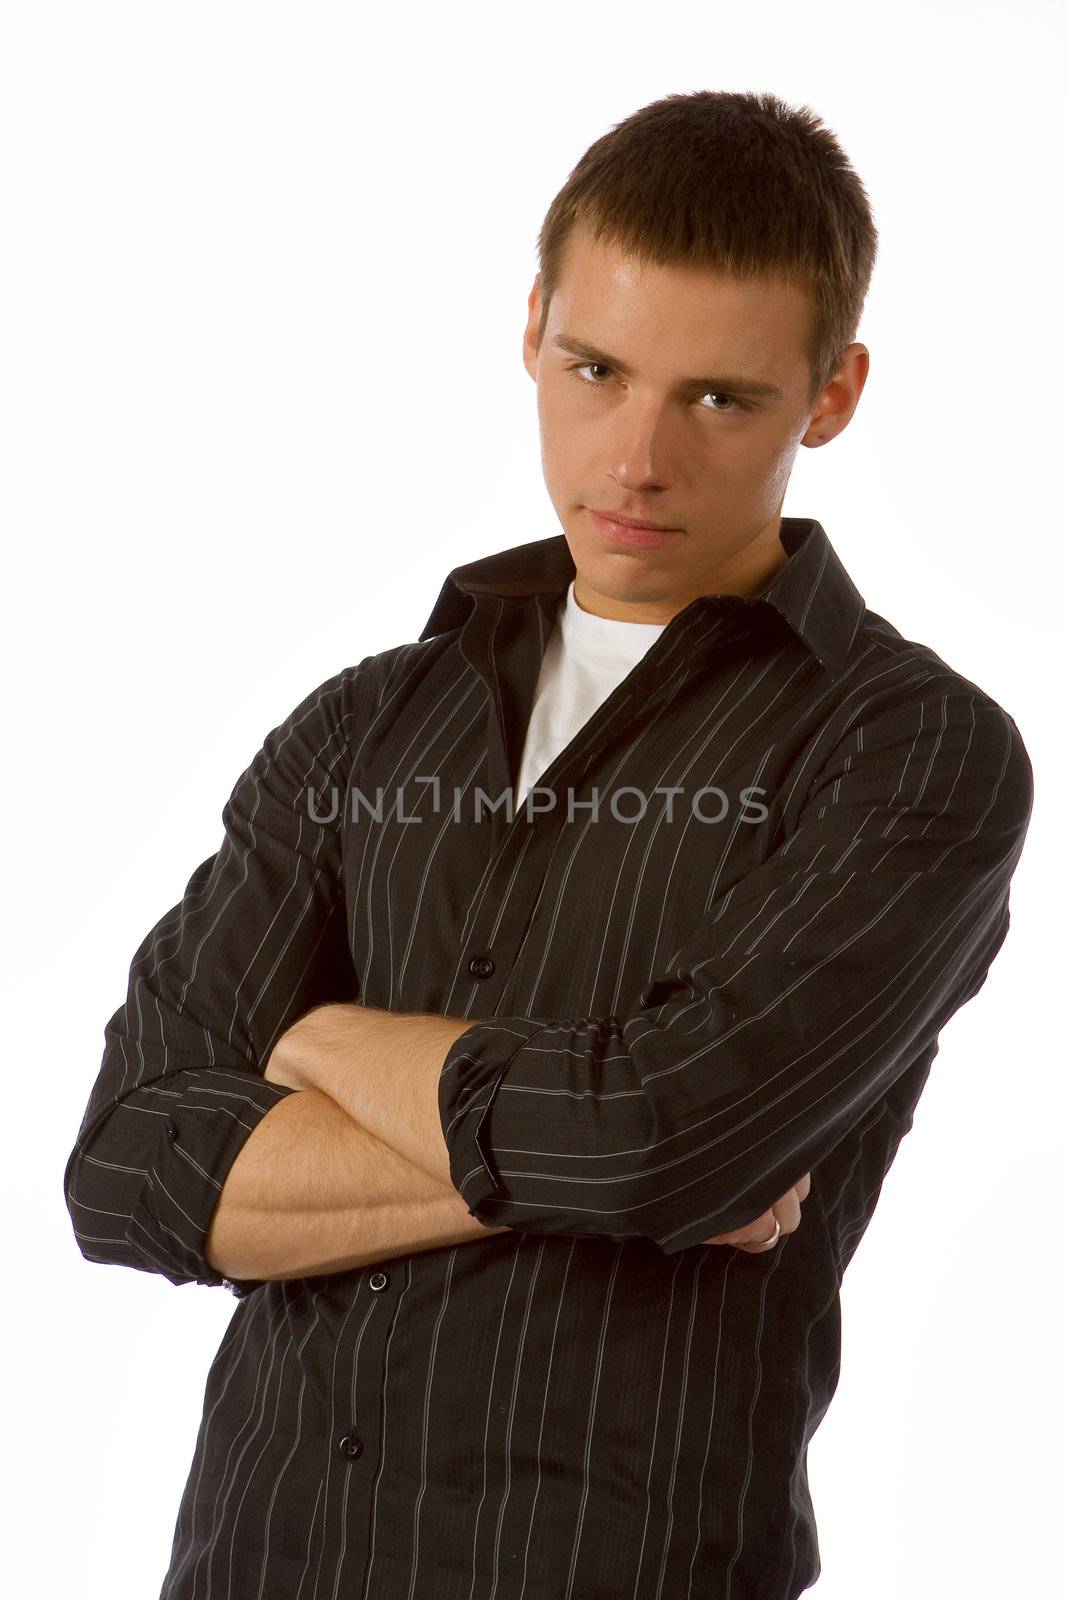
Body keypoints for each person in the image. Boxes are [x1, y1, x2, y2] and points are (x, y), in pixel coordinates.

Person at [63, 88, 1034, 1599]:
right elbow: (127, 1167)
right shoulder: (364, 726)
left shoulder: (909, 751)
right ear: (531, 329)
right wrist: (607, 1158)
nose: (636, 457)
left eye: (718, 398)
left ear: (831, 393)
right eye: (596, 370)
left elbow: (657, 1142)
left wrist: (316, 1044)